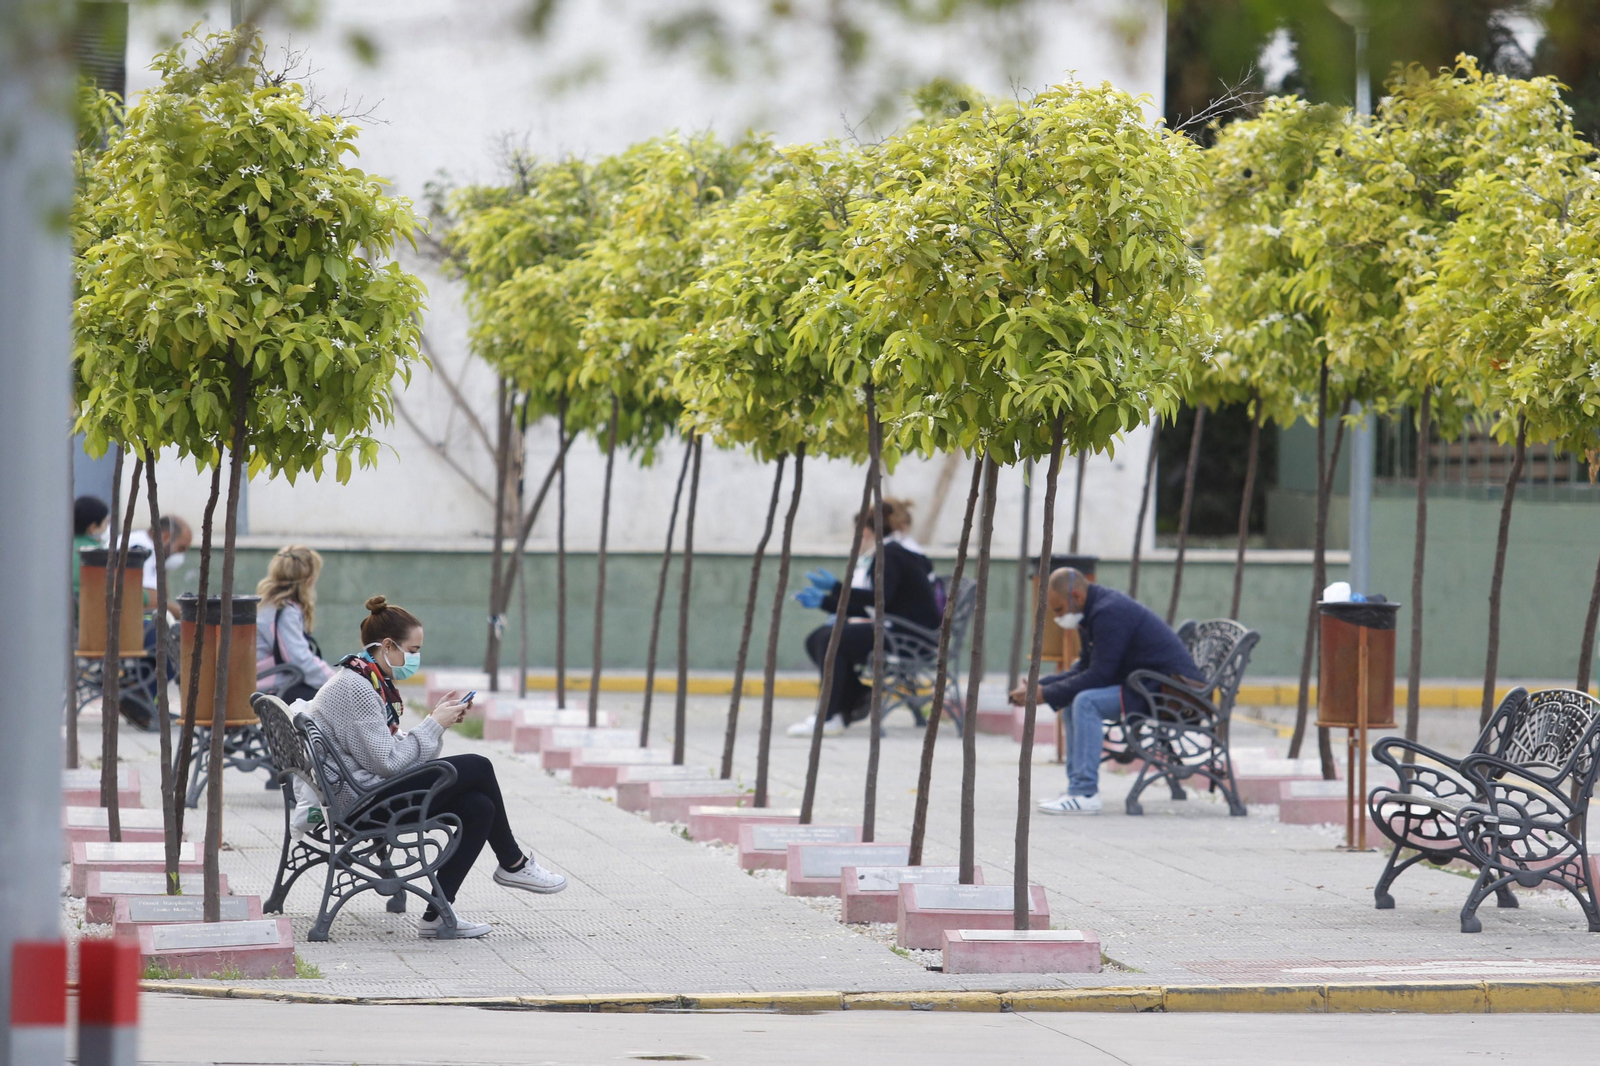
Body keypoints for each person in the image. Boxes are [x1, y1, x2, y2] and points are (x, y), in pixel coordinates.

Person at [310, 595, 568, 939]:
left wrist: (437, 724)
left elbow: (387, 754)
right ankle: (513, 863)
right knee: (479, 765)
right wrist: (434, 724)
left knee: (479, 806)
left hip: (363, 794)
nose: (415, 658)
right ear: (388, 645)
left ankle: (437, 913)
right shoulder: (357, 687)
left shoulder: (366, 679)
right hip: (363, 806)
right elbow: (388, 764)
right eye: (412, 650)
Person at [1010, 567, 1201, 815]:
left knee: (1086, 702)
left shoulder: (1108, 612)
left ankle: (1085, 793)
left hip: (1169, 693)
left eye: (1058, 610)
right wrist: (1043, 686)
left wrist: (1045, 695)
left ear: (1076, 596)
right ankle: (1075, 789)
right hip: (1144, 685)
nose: (1057, 617)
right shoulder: (1091, 612)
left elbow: (1100, 675)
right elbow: (1086, 668)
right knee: (1071, 701)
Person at [787, 498, 940, 738]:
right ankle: (853, 696)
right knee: (817, 638)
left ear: (866, 532)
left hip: (909, 635)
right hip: (897, 628)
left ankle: (829, 716)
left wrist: (836, 588)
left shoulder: (890, 556)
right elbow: (879, 606)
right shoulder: (886, 553)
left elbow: (880, 600)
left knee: (832, 640)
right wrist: (826, 602)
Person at [256, 546, 335, 703]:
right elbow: (299, 659)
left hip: (257, 684)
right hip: (271, 689)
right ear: (309, 582)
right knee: (333, 701)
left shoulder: (267, 604)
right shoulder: (284, 612)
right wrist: (336, 682)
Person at [127, 514, 191, 619]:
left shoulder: (148, 545)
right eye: (181, 548)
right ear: (165, 537)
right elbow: (152, 600)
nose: (181, 555)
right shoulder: (143, 548)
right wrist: (191, 615)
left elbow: (163, 595)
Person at [71, 496, 110, 601]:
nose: (107, 527)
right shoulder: (99, 555)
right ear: (93, 527)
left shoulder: (58, 547)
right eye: (106, 523)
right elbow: (143, 597)